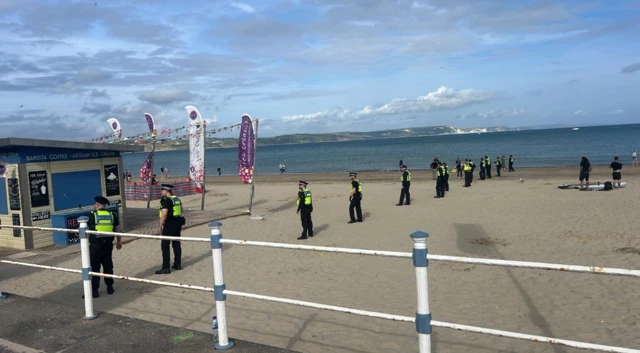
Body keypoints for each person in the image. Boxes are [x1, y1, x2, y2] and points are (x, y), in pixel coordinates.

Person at [86, 196, 122, 298]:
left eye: (95, 204)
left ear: (97, 205)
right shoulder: (112, 215)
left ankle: (95, 290)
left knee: (95, 267)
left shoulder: (92, 215)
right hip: (108, 245)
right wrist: (119, 241)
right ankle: (110, 287)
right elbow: (117, 229)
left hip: (95, 245)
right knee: (108, 266)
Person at [156, 184, 184, 274]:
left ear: (167, 191)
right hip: (178, 222)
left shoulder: (165, 200)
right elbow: (181, 209)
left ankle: (166, 267)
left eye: (162, 189)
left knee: (165, 245)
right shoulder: (176, 198)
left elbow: (164, 213)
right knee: (176, 243)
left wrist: (160, 225)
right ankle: (177, 264)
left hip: (169, 224)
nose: (161, 191)